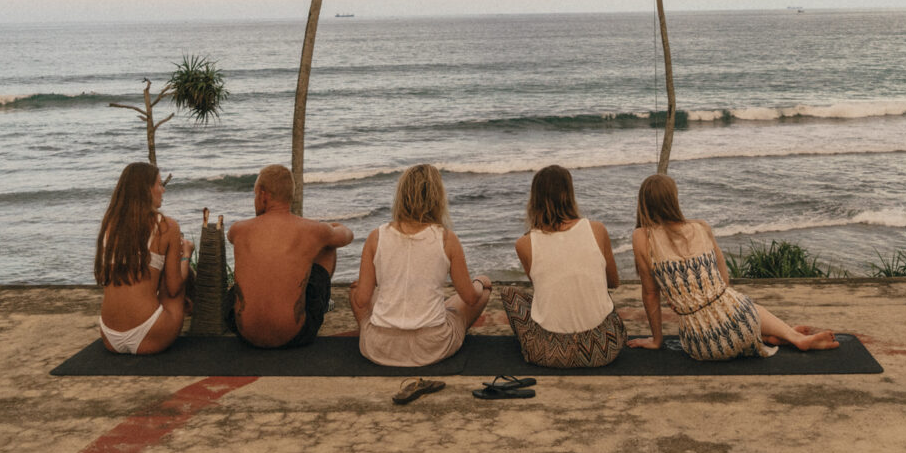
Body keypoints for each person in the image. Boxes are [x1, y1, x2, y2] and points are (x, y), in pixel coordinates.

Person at [629, 173, 839, 359]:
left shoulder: (641, 237)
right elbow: (724, 281)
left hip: (703, 344)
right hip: (741, 324)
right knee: (736, 302)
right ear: (673, 200)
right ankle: (786, 336)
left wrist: (657, 340)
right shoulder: (700, 227)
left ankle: (772, 335)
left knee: (730, 308)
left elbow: (650, 294)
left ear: (644, 203)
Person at [350, 163, 492, 367]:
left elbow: (362, 300)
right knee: (480, 294)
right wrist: (480, 282)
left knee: (357, 291)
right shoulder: (446, 238)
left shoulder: (376, 236)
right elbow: (470, 298)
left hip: (380, 347)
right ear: (438, 198)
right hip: (432, 346)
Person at [500, 164, 627, 367]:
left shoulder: (524, 243)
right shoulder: (596, 229)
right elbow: (613, 282)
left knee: (509, 294)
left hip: (549, 353)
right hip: (605, 347)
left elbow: (541, 287)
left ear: (534, 200)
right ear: (570, 194)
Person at [227, 164, 354, 348]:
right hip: (295, 335)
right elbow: (347, 236)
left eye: (255, 195)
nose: (255, 200)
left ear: (263, 194)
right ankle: (322, 304)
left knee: (240, 286)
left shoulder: (237, 230)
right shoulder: (314, 230)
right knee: (328, 246)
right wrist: (329, 228)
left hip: (245, 335)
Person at [95, 161, 193, 355]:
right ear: (147, 190)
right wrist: (186, 255)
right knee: (172, 282)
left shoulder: (110, 224)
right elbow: (173, 288)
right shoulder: (167, 226)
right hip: (151, 333)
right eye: (159, 184)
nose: (163, 190)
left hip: (109, 336)